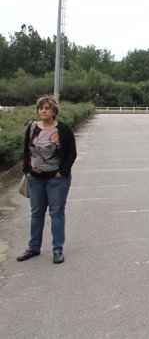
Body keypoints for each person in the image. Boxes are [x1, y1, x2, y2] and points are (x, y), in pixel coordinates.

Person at [17, 95, 77, 265]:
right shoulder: (32, 128)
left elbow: (72, 153)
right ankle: (33, 247)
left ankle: (57, 249)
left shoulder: (63, 129)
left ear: (54, 111)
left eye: (47, 108)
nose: (43, 111)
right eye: (40, 108)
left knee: (56, 213)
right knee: (36, 213)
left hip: (56, 180)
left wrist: (62, 172)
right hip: (35, 179)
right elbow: (26, 151)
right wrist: (27, 171)